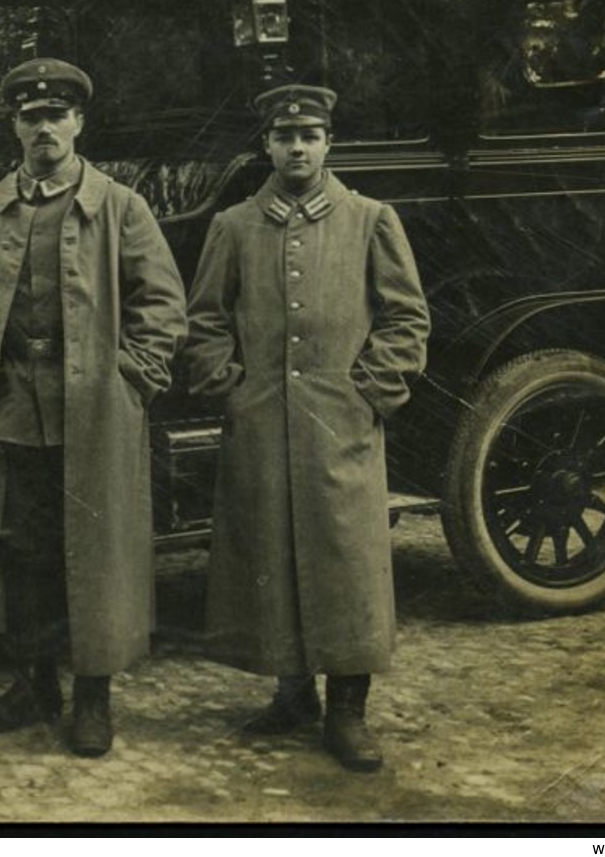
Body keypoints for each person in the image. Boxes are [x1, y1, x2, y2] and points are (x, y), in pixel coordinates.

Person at [0, 57, 187, 758]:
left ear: (78, 122)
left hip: (94, 413)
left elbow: (162, 304)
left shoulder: (118, 205)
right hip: (12, 409)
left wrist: (130, 377)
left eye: (55, 116)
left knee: (94, 552)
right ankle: (34, 684)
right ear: (13, 127)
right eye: (29, 117)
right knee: (25, 552)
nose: (42, 129)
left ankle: (93, 697)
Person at [183, 83, 430, 772]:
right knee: (270, 555)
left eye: (310, 136)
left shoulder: (368, 219)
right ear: (265, 145)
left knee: (347, 561)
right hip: (260, 423)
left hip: (339, 425)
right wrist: (228, 389)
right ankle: (291, 694)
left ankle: (347, 709)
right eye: (284, 136)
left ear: (328, 143)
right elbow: (203, 320)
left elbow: (405, 318)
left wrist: (369, 394)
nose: (297, 147)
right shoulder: (233, 226)